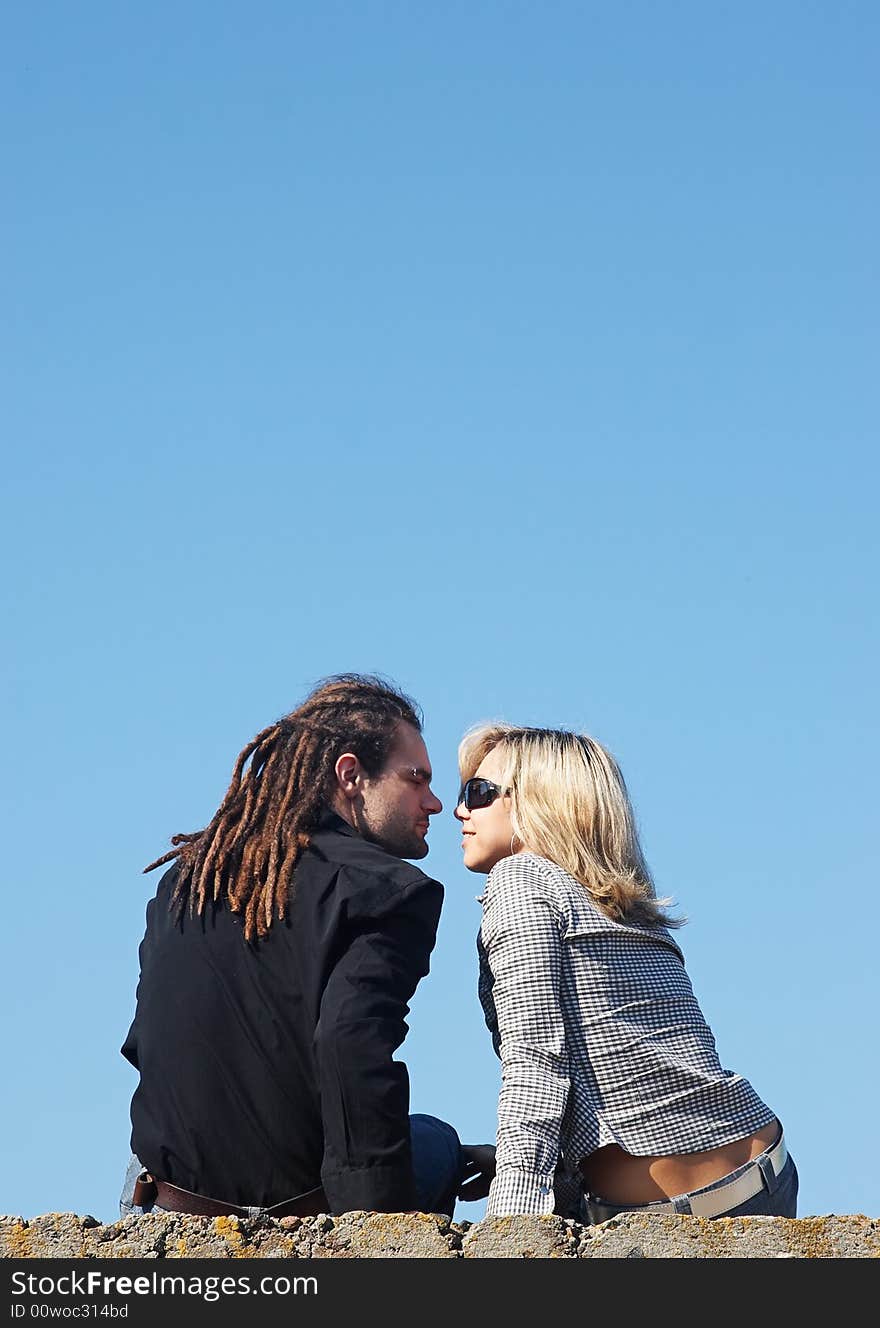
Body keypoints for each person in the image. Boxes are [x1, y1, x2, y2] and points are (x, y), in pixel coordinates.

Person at [119, 673, 491, 1220]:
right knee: (435, 1140)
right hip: (298, 1206)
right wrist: (372, 1231)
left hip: (166, 1208)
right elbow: (351, 1047)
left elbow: (144, 1042)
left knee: (432, 1146)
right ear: (351, 776)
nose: (435, 803)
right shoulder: (388, 891)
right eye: (417, 779)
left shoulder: (190, 878)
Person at [454, 722, 798, 1223]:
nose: (461, 809)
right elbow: (619, 1068)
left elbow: (538, 1061)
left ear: (539, 802)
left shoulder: (520, 881)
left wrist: (513, 1220)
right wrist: (536, 1164)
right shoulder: (622, 905)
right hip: (764, 1171)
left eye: (479, 792)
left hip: (671, 1218)